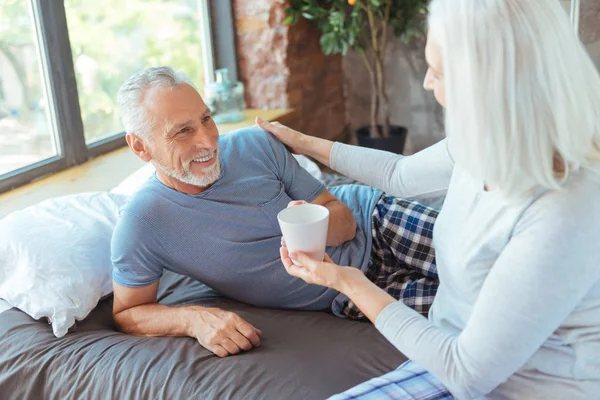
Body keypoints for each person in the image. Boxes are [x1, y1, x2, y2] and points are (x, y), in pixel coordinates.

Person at [257, 0, 600, 398]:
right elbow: (397, 175)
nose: (426, 84)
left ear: (483, 87)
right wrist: (301, 142)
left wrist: (347, 282)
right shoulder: (484, 144)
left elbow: (467, 374)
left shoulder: (565, 211)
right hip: (446, 357)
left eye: (436, 72)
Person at [110, 66, 442, 359]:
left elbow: (343, 217)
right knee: (472, 315)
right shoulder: (142, 222)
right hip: (345, 293)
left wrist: (313, 226)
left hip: (378, 222)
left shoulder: (255, 145)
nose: (209, 141)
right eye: (183, 131)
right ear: (140, 146)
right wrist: (194, 319)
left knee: (488, 263)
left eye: (206, 119)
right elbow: (128, 311)